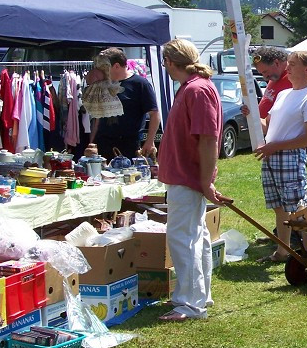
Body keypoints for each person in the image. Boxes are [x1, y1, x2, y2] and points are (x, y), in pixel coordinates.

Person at [156, 39, 228, 322]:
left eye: (165, 63)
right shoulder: (191, 88)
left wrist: (205, 180)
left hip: (188, 178)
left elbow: (208, 140)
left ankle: (190, 303)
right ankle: (199, 297)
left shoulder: (197, 90)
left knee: (182, 238)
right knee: (195, 236)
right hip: (186, 176)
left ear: (171, 63)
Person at [253, 51, 307, 263]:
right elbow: (268, 126)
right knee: (279, 207)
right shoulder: (284, 94)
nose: (288, 68)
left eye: (292, 64)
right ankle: (283, 251)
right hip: (271, 154)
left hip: (289, 156)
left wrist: (276, 146)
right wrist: (251, 115)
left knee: (296, 207)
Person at [246, 46, 307, 163]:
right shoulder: (280, 86)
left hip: (290, 152)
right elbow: (270, 122)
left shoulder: (294, 81)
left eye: (265, 72)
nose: (265, 77)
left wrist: (274, 146)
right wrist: (251, 114)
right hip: (273, 147)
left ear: (276, 62)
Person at [89, 47, 159, 160]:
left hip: (129, 146)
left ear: (116, 66)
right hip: (103, 144)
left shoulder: (140, 84)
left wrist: (150, 141)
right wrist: (91, 142)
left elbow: (154, 114)